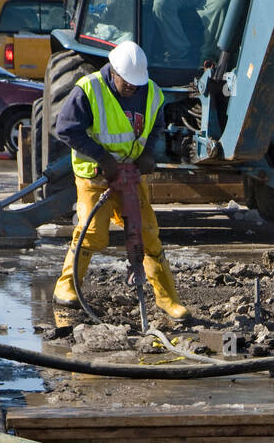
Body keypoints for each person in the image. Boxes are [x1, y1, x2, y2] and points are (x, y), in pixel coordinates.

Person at [52, 40, 188, 320]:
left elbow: (156, 127)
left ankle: (167, 299)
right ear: (113, 71)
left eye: (136, 84)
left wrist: (149, 153)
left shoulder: (152, 92)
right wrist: (102, 159)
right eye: (127, 83)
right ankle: (66, 287)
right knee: (92, 234)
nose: (133, 88)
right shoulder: (89, 90)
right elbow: (66, 129)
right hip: (96, 176)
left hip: (130, 174)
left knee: (147, 235)